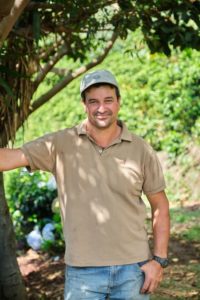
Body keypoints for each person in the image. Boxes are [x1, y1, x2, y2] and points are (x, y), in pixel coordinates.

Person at [0, 70, 170, 300]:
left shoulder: (140, 149)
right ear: (84, 105)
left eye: (108, 100)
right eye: (94, 102)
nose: (102, 108)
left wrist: (158, 260)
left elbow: (160, 205)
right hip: (83, 274)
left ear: (118, 102)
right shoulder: (61, 144)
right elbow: (10, 158)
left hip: (134, 270)